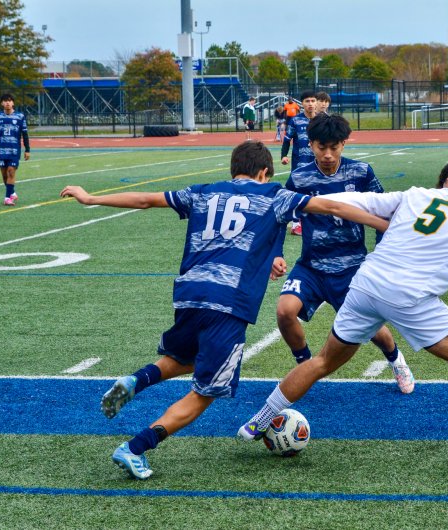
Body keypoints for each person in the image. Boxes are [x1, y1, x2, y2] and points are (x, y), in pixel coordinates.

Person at [238, 151, 448, 478]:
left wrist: (299, 201)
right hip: (409, 296)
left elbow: (354, 201)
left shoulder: (415, 195)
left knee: (324, 361)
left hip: (366, 285)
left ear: (446, 181)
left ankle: (259, 420)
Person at [59, 140, 388, 480]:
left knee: (187, 359)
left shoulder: (203, 191)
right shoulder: (274, 194)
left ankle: (135, 380)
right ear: (264, 172)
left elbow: (145, 199)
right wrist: (381, 224)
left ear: (234, 169)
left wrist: (91, 197)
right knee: (205, 393)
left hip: (189, 294)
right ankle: (135, 448)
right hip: (230, 304)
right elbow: (332, 207)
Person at [277, 112, 414, 392]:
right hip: (312, 266)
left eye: (334, 147)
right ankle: (304, 365)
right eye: (321, 147)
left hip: (352, 267)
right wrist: (276, 254)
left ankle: (396, 359)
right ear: (311, 144)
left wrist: (380, 255)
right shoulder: (300, 178)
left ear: (344, 144)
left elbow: (386, 211)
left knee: (374, 331)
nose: (327, 154)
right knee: (284, 311)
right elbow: (280, 215)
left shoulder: (361, 172)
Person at [282, 90, 319, 236]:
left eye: (313, 101)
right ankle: (296, 224)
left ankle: (315, 219)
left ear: (316, 103)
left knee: (316, 190)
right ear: (302, 104)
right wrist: (284, 156)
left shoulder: (321, 120)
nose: (310, 104)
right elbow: (287, 140)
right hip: (300, 163)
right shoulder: (295, 120)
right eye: (307, 101)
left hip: (318, 163)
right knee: (299, 192)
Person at [0, 93, 30, 206]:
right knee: (4, 175)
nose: (7, 102)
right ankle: (12, 192)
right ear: (2, 103)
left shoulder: (20, 116)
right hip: (1, 151)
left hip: (14, 151)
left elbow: (25, 134)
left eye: (10, 100)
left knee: (11, 172)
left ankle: (7, 198)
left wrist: (27, 150)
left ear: (13, 103)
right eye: (5, 101)